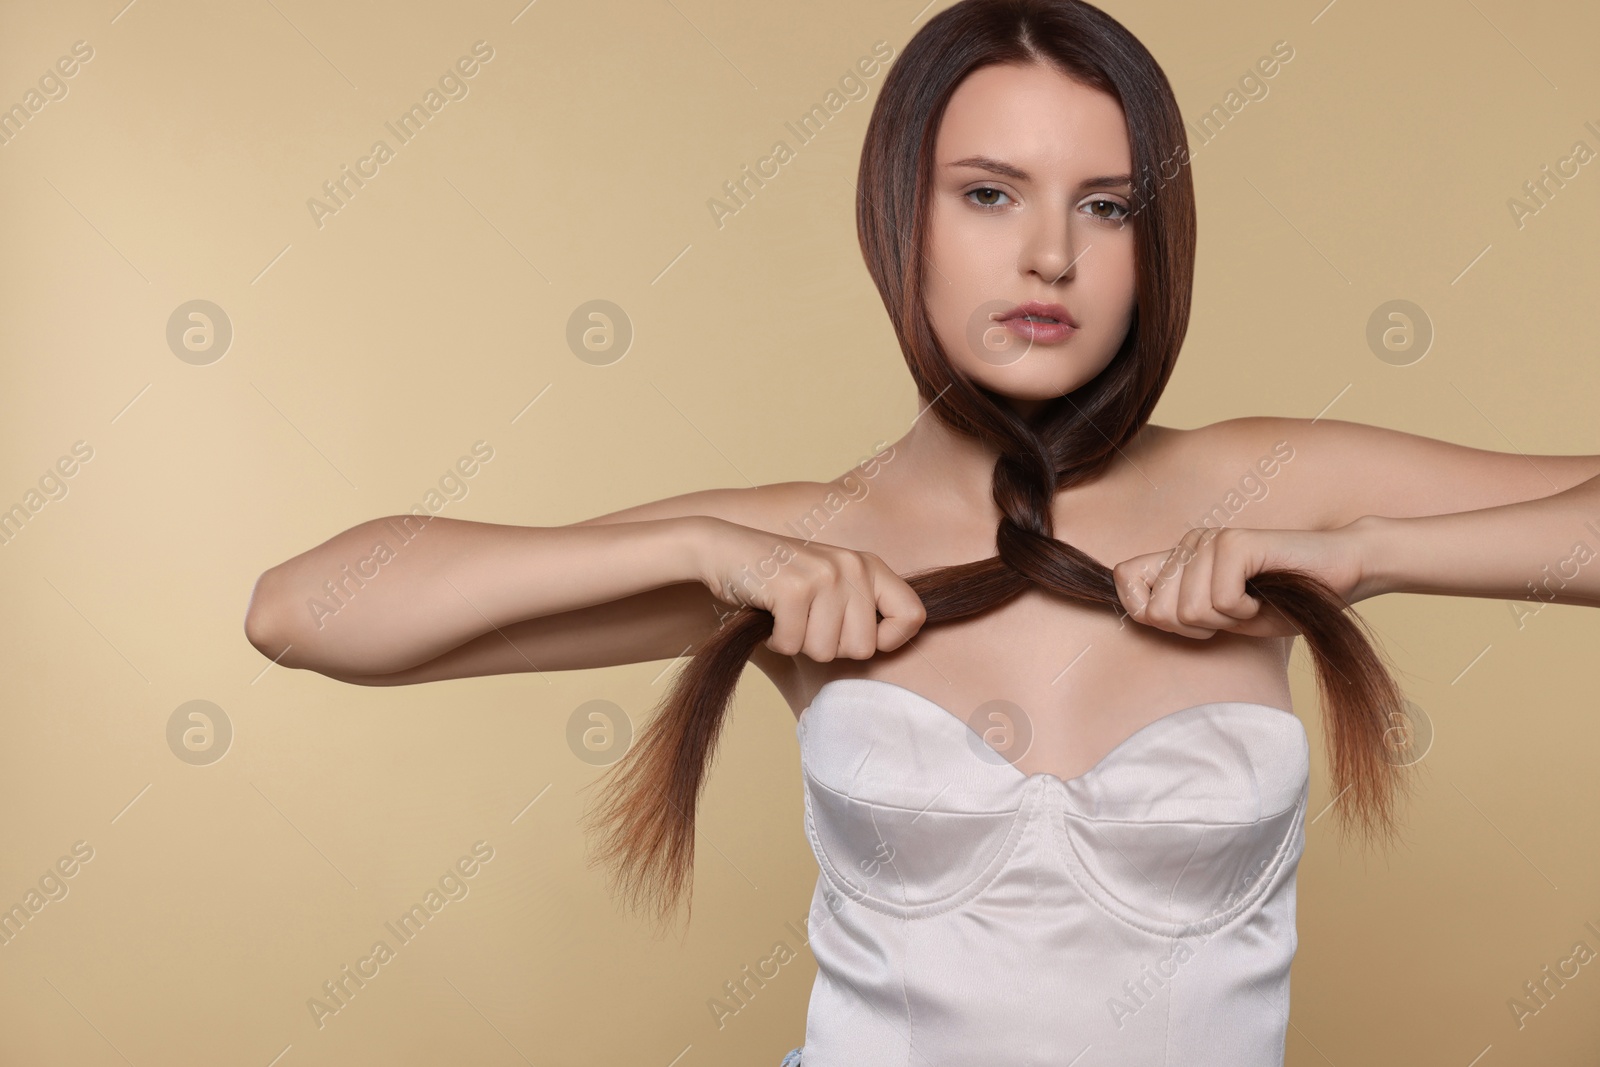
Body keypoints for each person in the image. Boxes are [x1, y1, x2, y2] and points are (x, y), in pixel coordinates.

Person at [243, 1, 1600, 1063]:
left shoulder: (1272, 484)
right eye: (991, 194)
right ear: (902, 215)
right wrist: (707, 555)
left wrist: (1365, 553)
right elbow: (306, 613)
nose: (1052, 257)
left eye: (1107, 205)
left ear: (1156, 239)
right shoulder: (802, 549)